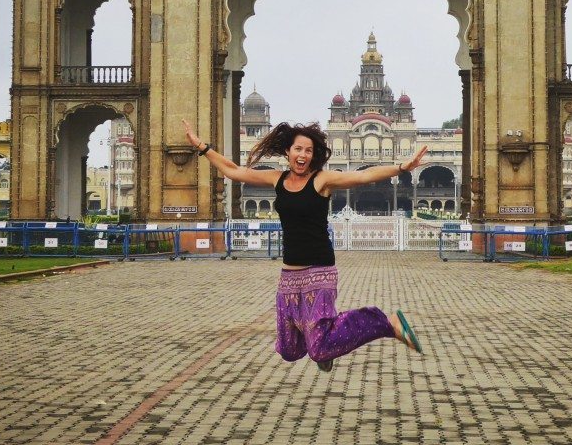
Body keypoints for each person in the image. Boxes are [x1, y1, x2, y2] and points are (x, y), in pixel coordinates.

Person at [182, 118, 427, 372]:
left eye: (308, 150)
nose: (303, 155)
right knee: (288, 350)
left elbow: (363, 175)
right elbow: (233, 170)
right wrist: (201, 146)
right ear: (288, 151)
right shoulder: (277, 179)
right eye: (298, 149)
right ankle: (325, 340)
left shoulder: (321, 180)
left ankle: (385, 322)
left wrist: (402, 167)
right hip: (288, 276)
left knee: (318, 346)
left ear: (313, 155)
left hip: (318, 270)